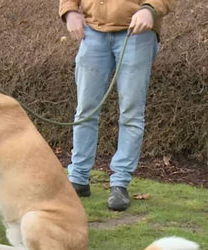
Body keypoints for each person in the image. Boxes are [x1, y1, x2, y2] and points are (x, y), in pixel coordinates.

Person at [59, 0, 176, 211]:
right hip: (92, 31)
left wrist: (149, 9)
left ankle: (120, 183)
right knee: (86, 110)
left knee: (131, 113)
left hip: (136, 33)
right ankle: (77, 179)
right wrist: (69, 11)